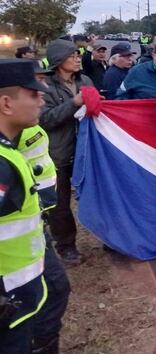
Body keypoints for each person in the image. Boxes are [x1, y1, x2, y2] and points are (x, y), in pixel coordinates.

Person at [0, 60, 63, 354]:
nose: (43, 97)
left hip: (18, 299)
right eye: (34, 93)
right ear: (6, 104)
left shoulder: (8, 150)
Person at [40, 39, 94, 266]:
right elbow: (45, 119)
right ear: (59, 60)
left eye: (78, 54)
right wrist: (74, 102)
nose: (77, 58)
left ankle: (108, 237)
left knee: (95, 196)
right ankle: (66, 245)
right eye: (72, 55)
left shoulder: (86, 80)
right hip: (59, 153)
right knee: (60, 204)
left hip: (87, 151)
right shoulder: (45, 87)